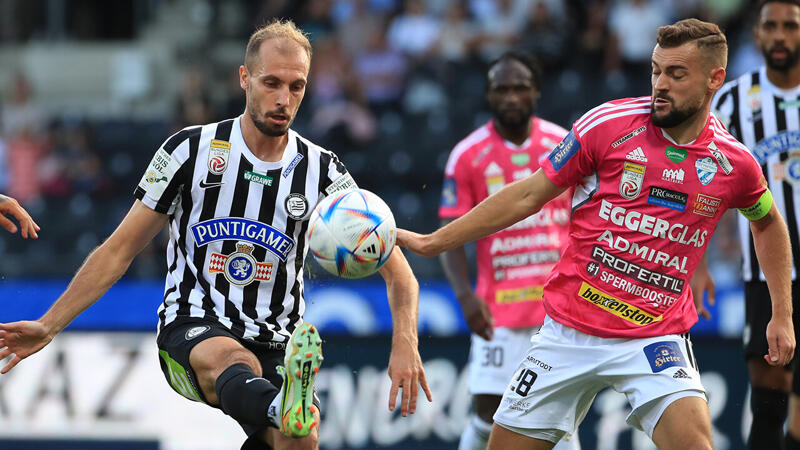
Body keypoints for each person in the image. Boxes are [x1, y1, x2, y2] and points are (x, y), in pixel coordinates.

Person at [0, 20, 431, 450]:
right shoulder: (188, 151)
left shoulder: (323, 171)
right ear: (244, 79)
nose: (284, 99)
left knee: (300, 439)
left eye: (297, 87)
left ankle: (283, 413)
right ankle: (281, 407)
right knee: (236, 362)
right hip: (193, 328)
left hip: (279, 341)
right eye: (272, 83)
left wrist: (405, 342)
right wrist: (49, 325)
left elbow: (399, 272)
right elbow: (118, 250)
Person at [399, 18, 796, 450]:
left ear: (714, 79)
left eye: (677, 74)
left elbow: (767, 221)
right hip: (569, 332)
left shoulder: (732, 163)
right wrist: (434, 241)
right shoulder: (607, 125)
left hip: (654, 336)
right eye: (655, 70)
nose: (660, 84)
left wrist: (782, 312)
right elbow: (527, 195)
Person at [438, 50, 578, 450]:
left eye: (520, 88)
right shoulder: (468, 155)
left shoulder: (562, 146)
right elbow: (452, 231)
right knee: (488, 414)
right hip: (497, 312)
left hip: (559, 311)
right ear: (489, 95)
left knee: (558, 417)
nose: (511, 97)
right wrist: (465, 296)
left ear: (535, 92)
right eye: (502, 89)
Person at [711, 1, 800, 448]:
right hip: (762, 276)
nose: (781, 36)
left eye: (791, 26)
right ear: (758, 34)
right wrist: (698, 263)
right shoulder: (730, 102)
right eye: (771, 26)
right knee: (769, 403)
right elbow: (700, 180)